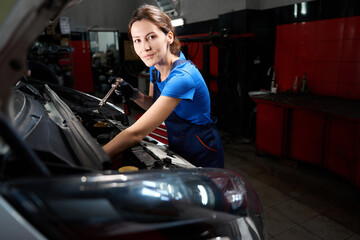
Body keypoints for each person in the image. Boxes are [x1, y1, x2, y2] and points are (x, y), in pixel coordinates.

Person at [103, 4, 224, 168]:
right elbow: (153, 105)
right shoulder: (155, 67)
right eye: (137, 40)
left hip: (201, 148)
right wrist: (132, 93)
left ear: (169, 37)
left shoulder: (182, 78)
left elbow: (135, 134)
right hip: (177, 144)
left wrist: (93, 157)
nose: (145, 47)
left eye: (151, 37)